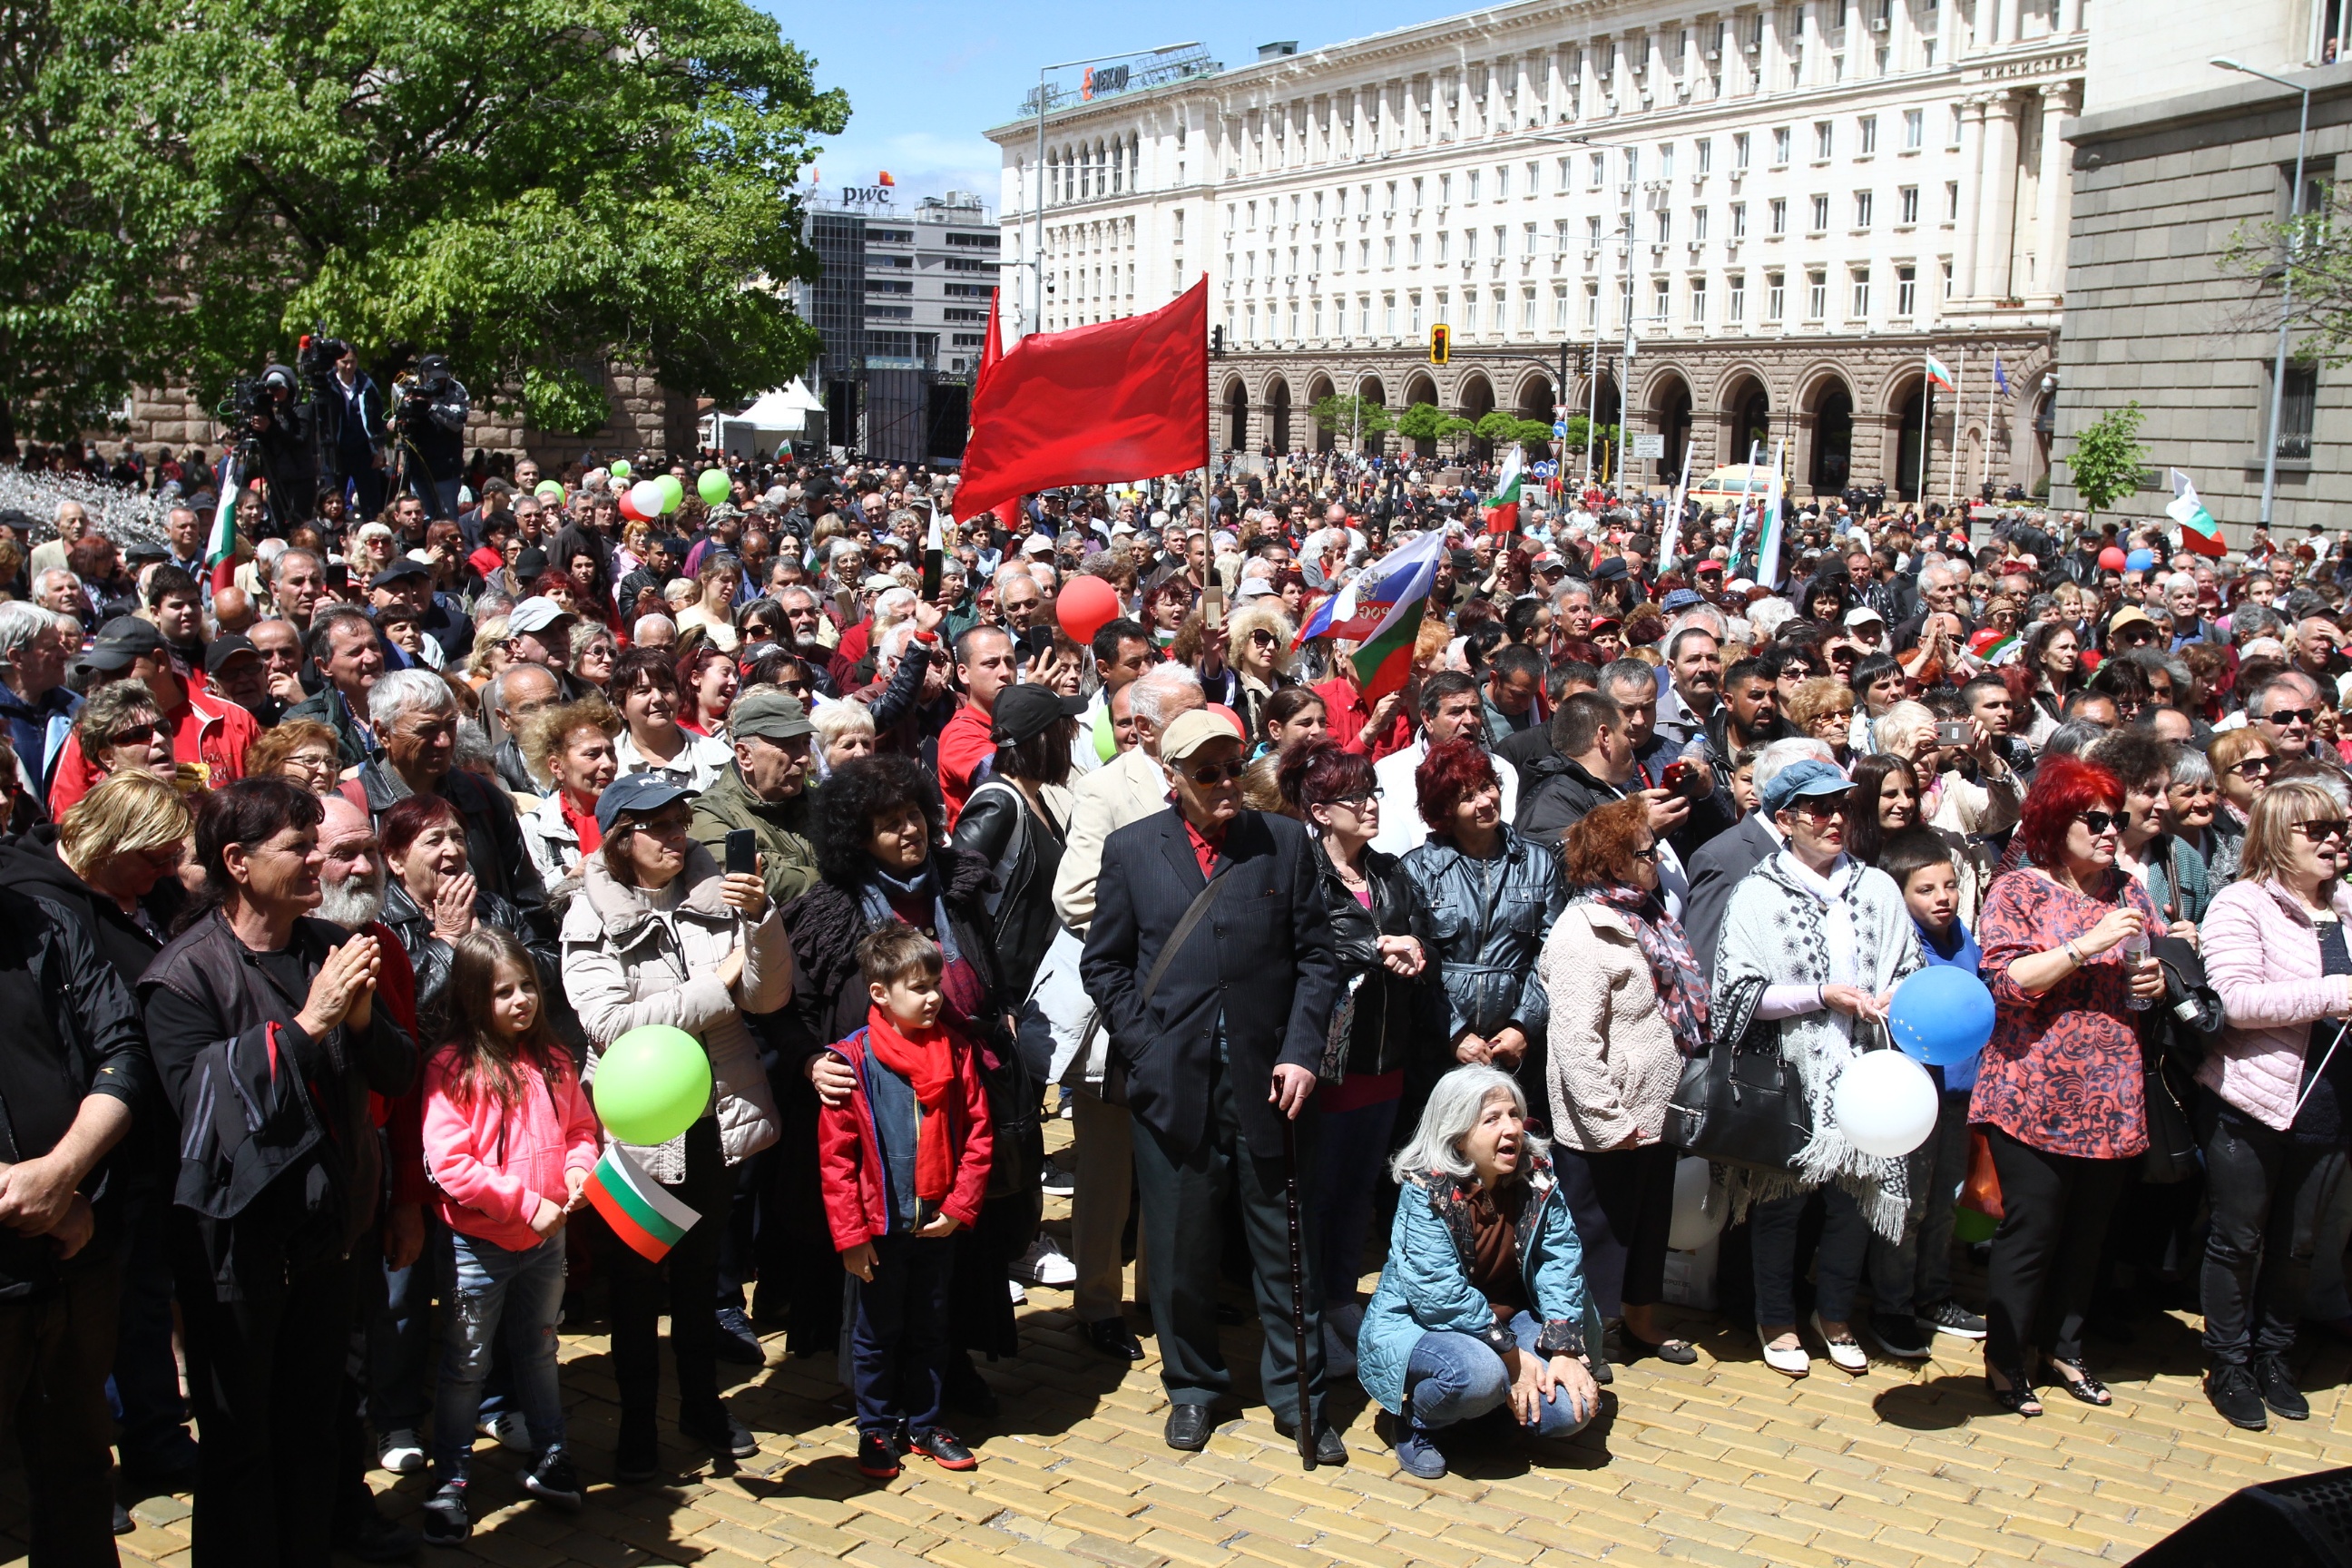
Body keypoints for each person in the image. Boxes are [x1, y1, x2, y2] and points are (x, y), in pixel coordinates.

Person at [138, 778, 418, 1565]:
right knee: (241, 1447)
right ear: (237, 861)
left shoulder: (327, 945)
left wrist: (359, 1023)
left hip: (329, 1240)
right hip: (237, 1255)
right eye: (297, 848)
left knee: (316, 1430)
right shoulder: (182, 977)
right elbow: (206, 1113)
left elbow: (398, 1073)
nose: (316, 864)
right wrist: (309, 1024)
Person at [1079, 709, 1342, 1458]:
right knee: (1178, 1249)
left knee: (1285, 1249)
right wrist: (1146, 1047)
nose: (1226, 783)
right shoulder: (1133, 849)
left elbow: (1317, 959)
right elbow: (1105, 963)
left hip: (1272, 1083)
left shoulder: (1284, 841)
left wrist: (1302, 1050)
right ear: (1173, 779)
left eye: (1232, 767)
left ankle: (1300, 1399)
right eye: (1207, 773)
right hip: (1174, 1085)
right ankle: (1193, 1387)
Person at [781, 755, 1027, 1412]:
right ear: (859, 837)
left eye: (913, 814)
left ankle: (951, 1366)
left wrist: (999, 1010)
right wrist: (810, 1061)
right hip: (876, 1111)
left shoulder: (958, 886)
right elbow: (792, 1009)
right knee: (886, 1256)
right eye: (889, 823)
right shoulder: (830, 910)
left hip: (957, 1094)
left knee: (958, 1243)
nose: (909, 830)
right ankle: (880, 1390)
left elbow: (989, 964)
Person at [562, 772, 787, 1478]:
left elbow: (766, 997)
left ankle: (701, 1406)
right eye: (656, 826)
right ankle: (637, 1425)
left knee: (700, 1277)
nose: (675, 836)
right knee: (634, 1286)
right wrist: (715, 986)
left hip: (713, 1114)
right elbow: (611, 1024)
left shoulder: (718, 894)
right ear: (620, 840)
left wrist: (761, 921)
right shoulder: (588, 916)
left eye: (680, 821)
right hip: (635, 1130)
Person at [1710, 759, 1922, 1380]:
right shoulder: (1758, 892)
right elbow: (1735, 994)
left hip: (1868, 1068)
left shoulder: (1876, 887)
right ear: (1785, 820)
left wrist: (1893, 995)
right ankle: (1776, 1318)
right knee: (1781, 1203)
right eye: (1819, 808)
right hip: (1791, 1073)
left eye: (1842, 807)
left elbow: (1908, 966)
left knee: (1853, 1201)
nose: (1835, 820)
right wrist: (1819, 995)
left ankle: (1835, 1315)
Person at [1972, 755, 2164, 1416]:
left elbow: (2145, 968)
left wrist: (2153, 981)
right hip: (2032, 1086)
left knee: (2088, 1234)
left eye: (2118, 819)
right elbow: (2006, 983)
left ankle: (2065, 1348)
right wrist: (2088, 941)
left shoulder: (2130, 892)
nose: (2112, 831)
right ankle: (2005, 1358)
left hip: (2110, 1088)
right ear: (2057, 822)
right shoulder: (2018, 890)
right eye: (2096, 820)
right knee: (2034, 1229)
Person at [416, 928, 598, 1544]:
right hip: (480, 1246)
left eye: (527, 986)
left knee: (540, 1348)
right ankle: (451, 1479)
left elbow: (580, 1130)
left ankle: (552, 1455)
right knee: (467, 1363)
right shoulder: (452, 1068)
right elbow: (450, 1165)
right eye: (502, 992)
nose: (521, 1000)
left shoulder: (553, 1059)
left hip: (546, 1241)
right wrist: (524, 1206)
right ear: (473, 998)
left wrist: (577, 1171)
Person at [0, 871, 151, 1562]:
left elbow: (122, 1049)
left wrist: (61, 1177)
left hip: (76, 1259)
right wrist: (22, 1197)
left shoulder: (47, 924)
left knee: (79, 1474)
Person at [2194, 780, 2352, 1431]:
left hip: (2333, 1105)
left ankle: (2275, 1357)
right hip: (2253, 1101)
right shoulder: (2242, 904)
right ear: (2277, 837)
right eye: (2316, 829)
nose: (2334, 839)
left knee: (2299, 1245)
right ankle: (2229, 1364)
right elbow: (2235, 1001)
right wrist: (2333, 993)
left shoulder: (2347, 906)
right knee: (2239, 1240)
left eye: (2340, 827)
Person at [1357, 1066, 1602, 1481]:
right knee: (1480, 1377)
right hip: (1426, 1326)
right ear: (1458, 1136)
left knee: (1566, 1412)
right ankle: (1418, 1422)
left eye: (1514, 1115)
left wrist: (1562, 1350)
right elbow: (1441, 1297)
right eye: (1491, 1119)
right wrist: (1513, 1358)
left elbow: (1561, 1260)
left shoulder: (1537, 1176)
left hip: (1511, 1317)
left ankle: (1487, 1415)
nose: (1511, 1129)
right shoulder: (1427, 1190)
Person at [1280, 738, 1436, 1367]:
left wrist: (1418, 951)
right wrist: (1374, 950)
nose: (1370, 806)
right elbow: (1303, 949)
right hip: (1329, 1065)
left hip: (1385, 1059)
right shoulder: (1302, 873)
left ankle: (1342, 1300)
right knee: (1317, 1196)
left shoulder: (1390, 871)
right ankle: (1311, 1313)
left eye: (1373, 793)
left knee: (1358, 1193)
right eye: (1354, 797)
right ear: (1320, 812)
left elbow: (1421, 934)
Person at [818, 926, 994, 1480]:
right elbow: (836, 1159)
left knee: (931, 1327)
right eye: (918, 988)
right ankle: (875, 1425)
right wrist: (851, 1238)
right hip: (880, 1229)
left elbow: (979, 1135)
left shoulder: (956, 1049)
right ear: (880, 993)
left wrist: (960, 1206)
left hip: (935, 1224)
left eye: (935, 985)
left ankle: (926, 1421)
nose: (933, 997)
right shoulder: (853, 1061)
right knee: (876, 1333)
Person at [1542, 797, 1702, 1366]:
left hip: (1655, 1109)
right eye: (1645, 852)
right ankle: (1583, 1340)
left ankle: (1639, 1323)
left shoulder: (1648, 916)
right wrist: (1608, 1119)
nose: (1656, 859)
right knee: (1596, 1234)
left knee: (1648, 1225)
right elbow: (1574, 1042)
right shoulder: (1582, 933)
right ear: (1613, 863)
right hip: (1607, 1118)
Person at [1868, 829, 1992, 1351]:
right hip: (1917, 1096)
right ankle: (1891, 1305)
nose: (1943, 898)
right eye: (1926, 889)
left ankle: (1933, 1295)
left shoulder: (1963, 938)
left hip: (1960, 1095)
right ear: (1899, 895)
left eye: (1950, 885)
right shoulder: (1901, 947)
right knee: (1908, 1204)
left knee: (1946, 1201)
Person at [1401, 738, 1563, 1096]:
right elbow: (1416, 968)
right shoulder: (1417, 870)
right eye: (1468, 797)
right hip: (1439, 1051)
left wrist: (1524, 1025)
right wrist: (1453, 1032)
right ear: (1444, 810)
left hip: (1518, 1052)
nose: (1486, 801)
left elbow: (1554, 954)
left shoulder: (1537, 862)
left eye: (1487, 786)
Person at [350, 668, 549, 926]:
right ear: (383, 732)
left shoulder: (482, 796)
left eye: (450, 725)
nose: (444, 741)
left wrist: (528, 948)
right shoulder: (354, 810)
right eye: (427, 729)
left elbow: (529, 900)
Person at [688, 686, 822, 909]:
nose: (803, 757)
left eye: (805, 742)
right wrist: (834, 879)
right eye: (788, 745)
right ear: (745, 756)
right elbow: (752, 885)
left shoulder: (821, 803)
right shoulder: (709, 814)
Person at [1371, 671, 1519, 855]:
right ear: (1428, 719)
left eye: (1474, 710)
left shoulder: (1502, 768)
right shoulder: (1389, 773)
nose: (1469, 720)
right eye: (1456, 712)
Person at [517, 697, 622, 892]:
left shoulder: (634, 812)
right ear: (557, 766)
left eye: (611, 752)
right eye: (592, 754)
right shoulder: (535, 827)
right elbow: (529, 897)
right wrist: (568, 876)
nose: (608, 764)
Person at [609, 645, 732, 792]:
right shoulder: (606, 763)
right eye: (643, 691)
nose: (658, 698)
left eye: (665, 688)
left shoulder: (719, 757)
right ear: (621, 707)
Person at [247, 717, 343, 795]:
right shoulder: (256, 813)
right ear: (275, 767)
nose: (325, 770)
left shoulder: (344, 811)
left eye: (330, 762)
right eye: (310, 760)